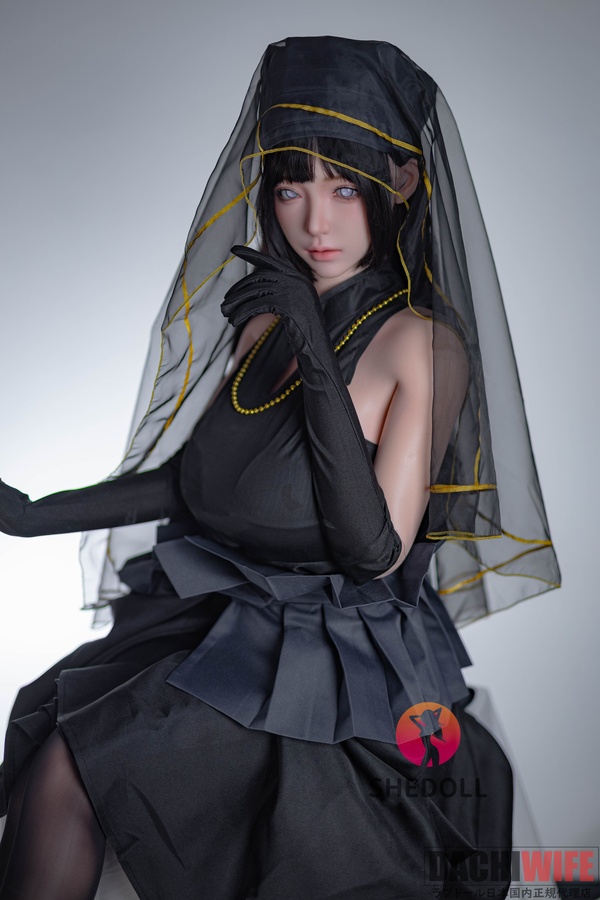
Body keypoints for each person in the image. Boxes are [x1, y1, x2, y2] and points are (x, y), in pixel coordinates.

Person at [0, 36, 560, 900]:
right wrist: (33, 514)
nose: (314, 223)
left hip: (331, 666)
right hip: (225, 621)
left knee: (78, 767)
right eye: (291, 187)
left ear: (402, 182)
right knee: (58, 741)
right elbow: (199, 483)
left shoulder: (421, 345)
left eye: (343, 187)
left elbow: (374, 551)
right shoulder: (265, 322)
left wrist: (311, 338)